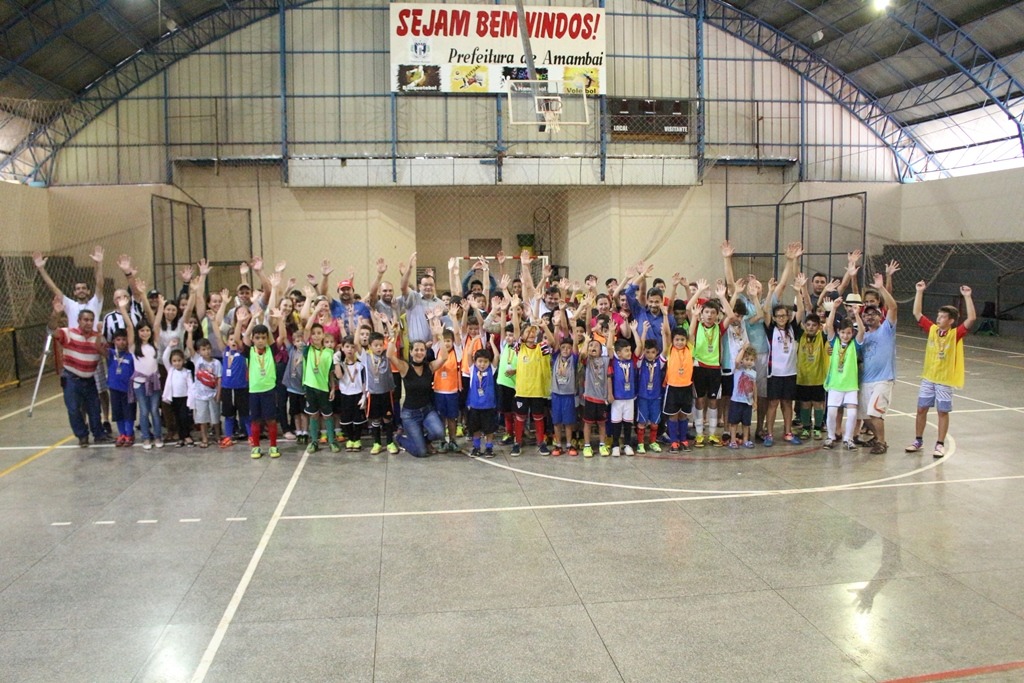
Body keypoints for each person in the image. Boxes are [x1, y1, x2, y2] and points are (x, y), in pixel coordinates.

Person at [907, 281, 976, 458]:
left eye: (943, 317)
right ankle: (918, 440)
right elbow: (917, 312)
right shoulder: (932, 330)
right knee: (921, 409)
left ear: (951, 320)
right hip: (928, 378)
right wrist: (919, 292)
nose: (938, 319)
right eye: (938, 316)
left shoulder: (956, 334)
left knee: (942, 411)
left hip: (945, 380)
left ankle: (939, 444)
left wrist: (967, 297)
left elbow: (971, 319)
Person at [48, 298, 110, 447]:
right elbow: (51, 330)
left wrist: (101, 339)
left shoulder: (98, 338)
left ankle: (99, 434)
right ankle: (82, 436)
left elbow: (107, 355)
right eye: (85, 320)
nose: (88, 322)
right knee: (74, 409)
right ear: (79, 321)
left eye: (91, 320)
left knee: (94, 409)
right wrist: (56, 314)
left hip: (89, 380)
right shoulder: (68, 333)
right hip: (71, 379)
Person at [387, 321, 448, 458]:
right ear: (411, 352)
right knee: (421, 453)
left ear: (425, 352)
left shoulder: (430, 367)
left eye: (422, 350)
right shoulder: (405, 367)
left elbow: (444, 357)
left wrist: (440, 336)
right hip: (410, 415)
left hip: (427, 410)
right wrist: (394, 336)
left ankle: (424, 441)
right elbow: (390, 355)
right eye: (416, 350)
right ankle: (400, 438)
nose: (419, 352)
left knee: (439, 433)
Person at [510, 294, 556, 456]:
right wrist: (515, 310)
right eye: (528, 332)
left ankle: (541, 442)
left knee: (538, 417)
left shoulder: (541, 348)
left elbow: (552, 342)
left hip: (537, 390)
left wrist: (544, 327)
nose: (531, 335)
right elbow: (516, 330)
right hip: (522, 391)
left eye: (533, 333)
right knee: (520, 418)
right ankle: (517, 442)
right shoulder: (519, 348)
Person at [859, 273, 898, 455]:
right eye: (866, 315)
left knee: (875, 413)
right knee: (865, 416)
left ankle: (881, 442)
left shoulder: (886, 330)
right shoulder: (862, 336)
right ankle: (876, 436)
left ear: (879, 316)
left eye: (873, 314)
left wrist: (881, 288)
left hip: (883, 379)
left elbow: (893, 306)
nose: (869, 317)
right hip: (866, 380)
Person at [822, 298, 865, 450]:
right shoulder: (834, 342)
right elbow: (829, 326)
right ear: (839, 332)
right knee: (832, 412)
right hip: (835, 384)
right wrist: (833, 308)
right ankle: (830, 437)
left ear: (851, 333)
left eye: (848, 333)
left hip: (851, 385)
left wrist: (857, 314)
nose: (845, 336)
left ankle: (848, 439)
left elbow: (862, 331)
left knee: (852, 413)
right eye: (843, 333)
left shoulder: (855, 344)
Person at [125, 303, 163, 450]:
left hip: (154, 382)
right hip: (139, 383)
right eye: (142, 330)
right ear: (138, 332)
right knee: (144, 410)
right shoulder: (134, 346)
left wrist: (160, 308)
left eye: (147, 330)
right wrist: (123, 309)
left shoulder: (154, 344)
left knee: (154, 410)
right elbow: (129, 326)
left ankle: (158, 436)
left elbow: (157, 324)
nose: (145, 333)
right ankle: (146, 437)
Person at [243, 321, 282, 459]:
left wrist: (277, 319)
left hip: (269, 390)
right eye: (257, 338)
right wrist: (253, 318)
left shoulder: (271, 350)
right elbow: (244, 336)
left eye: (263, 338)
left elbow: (281, 336)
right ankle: (256, 447)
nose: (260, 341)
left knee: (271, 420)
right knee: (255, 420)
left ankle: (273, 446)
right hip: (254, 391)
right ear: (253, 339)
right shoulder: (250, 352)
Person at [302, 321, 340, 455]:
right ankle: (314, 442)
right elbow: (306, 329)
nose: (316, 336)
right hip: (310, 387)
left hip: (324, 388)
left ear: (323, 335)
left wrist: (333, 388)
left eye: (319, 333)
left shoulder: (329, 352)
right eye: (313, 334)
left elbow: (330, 373)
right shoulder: (307, 350)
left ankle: (331, 441)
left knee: (327, 415)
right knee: (313, 415)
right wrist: (316, 310)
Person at [660, 315, 694, 452]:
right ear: (673, 341)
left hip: (686, 387)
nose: (680, 342)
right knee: (673, 415)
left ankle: (683, 440)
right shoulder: (670, 350)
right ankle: (674, 441)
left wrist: (695, 316)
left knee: (683, 414)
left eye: (682, 340)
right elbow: (667, 333)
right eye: (677, 340)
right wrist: (665, 315)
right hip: (673, 387)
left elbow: (691, 333)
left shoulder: (690, 349)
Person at [580, 330, 614, 457]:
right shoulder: (587, 360)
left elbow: (610, 348)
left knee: (602, 423)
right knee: (587, 423)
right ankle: (587, 446)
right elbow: (582, 354)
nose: (593, 347)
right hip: (589, 397)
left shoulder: (605, 361)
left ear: (601, 351)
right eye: (591, 346)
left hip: (602, 398)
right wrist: (586, 342)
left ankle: (602, 444)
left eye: (596, 346)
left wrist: (610, 394)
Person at [609, 324, 641, 456]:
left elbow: (639, 347)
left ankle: (627, 444)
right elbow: (610, 347)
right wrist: (611, 332)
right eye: (626, 350)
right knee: (616, 423)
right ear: (618, 353)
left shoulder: (632, 360)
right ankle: (615, 445)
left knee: (628, 422)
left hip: (630, 397)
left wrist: (634, 331)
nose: (629, 352)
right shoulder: (614, 361)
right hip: (617, 398)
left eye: (629, 350)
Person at [466, 343, 500, 458]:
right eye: (480, 361)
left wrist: (491, 342)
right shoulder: (472, 369)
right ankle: (476, 447)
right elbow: (469, 354)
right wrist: (474, 340)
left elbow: (496, 356)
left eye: (485, 361)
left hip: (488, 406)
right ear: (475, 362)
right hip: (475, 406)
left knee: (489, 430)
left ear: (489, 362)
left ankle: (489, 448)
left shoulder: (492, 370)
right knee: (475, 429)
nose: (482, 364)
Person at [334, 335, 367, 452]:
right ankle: (350, 439)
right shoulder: (341, 364)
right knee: (346, 419)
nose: (350, 349)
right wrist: (336, 361)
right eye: (347, 347)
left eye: (352, 347)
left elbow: (364, 381)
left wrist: (364, 396)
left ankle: (357, 439)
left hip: (358, 394)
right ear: (342, 348)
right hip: (345, 395)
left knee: (358, 419)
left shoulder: (360, 364)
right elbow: (339, 376)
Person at [635, 328, 664, 454]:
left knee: (654, 422)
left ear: (657, 352)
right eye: (647, 352)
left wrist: (664, 334)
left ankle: (652, 442)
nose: (650, 354)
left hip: (656, 397)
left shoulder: (660, 362)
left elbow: (666, 349)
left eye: (653, 352)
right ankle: (640, 444)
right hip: (643, 397)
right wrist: (644, 332)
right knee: (642, 422)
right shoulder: (641, 363)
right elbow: (640, 348)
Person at [549, 334, 579, 457]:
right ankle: (558, 444)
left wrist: (573, 327)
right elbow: (555, 343)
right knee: (556, 421)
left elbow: (576, 346)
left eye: (568, 348)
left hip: (568, 394)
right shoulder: (556, 357)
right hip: (556, 394)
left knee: (568, 422)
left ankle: (568, 444)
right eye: (563, 347)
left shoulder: (573, 359)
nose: (566, 350)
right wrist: (556, 327)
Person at [189, 337, 222, 448]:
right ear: (198, 351)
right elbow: (189, 346)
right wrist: (189, 333)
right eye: (203, 349)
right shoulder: (197, 360)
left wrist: (218, 394)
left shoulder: (216, 363)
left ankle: (218, 436)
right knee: (202, 419)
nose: (206, 351)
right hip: (200, 396)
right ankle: (204, 438)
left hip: (212, 395)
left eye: (208, 348)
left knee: (215, 418)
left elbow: (219, 379)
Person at [162, 339, 195, 447]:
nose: (177, 363)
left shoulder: (187, 372)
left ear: (183, 361)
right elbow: (164, 358)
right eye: (174, 361)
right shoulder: (171, 370)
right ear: (171, 362)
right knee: (177, 418)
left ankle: (187, 435)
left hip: (184, 398)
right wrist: (169, 346)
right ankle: (181, 437)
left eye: (179, 360)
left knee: (184, 417)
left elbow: (190, 386)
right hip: (174, 398)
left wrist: (191, 399)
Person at [106, 328, 135, 446]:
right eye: (118, 339)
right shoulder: (111, 354)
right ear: (113, 341)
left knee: (128, 412)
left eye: (124, 339)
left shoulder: (131, 355)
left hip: (128, 389)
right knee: (117, 413)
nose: (121, 342)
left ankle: (129, 434)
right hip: (114, 388)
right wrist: (99, 332)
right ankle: (121, 433)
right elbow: (98, 347)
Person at [728, 345, 758, 449]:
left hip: (747, 402)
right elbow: (737, 361)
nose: (749, 362)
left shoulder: (753, 373)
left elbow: (754, 387)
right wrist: (743, 349)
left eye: (751, 360)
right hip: (736, 401)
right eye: (747, 359)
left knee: (746, 423)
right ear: (742, 359)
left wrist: (755, 401)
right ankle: (732, 440)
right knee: (734, 423)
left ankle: (746, 439)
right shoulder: (738, 369)